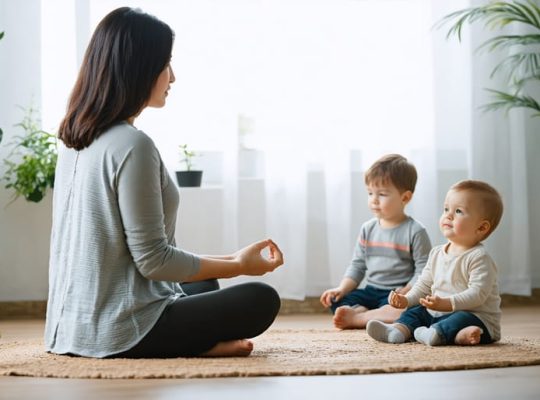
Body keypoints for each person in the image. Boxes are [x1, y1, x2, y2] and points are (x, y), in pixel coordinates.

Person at [44, 7, 284, 359]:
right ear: (138, 68)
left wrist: (233, 258)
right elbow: (154, 263)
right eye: (165, 64)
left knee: (204, 283)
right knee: (262, 300)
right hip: (119, 330)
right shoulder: (132, 145)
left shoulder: (74, 141)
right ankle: (188, 346)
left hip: (68, 327)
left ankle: (191, 340)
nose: (172, 77)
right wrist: (240, 266)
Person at [367, 180, 503, 346]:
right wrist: (407, 299)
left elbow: (477, 294)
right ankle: (398, 330)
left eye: (458, 211)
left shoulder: (479, 257)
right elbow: (424, 285)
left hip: (477, 317)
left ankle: (439, 333)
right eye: (446, 209)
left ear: (481, 228)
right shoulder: (437, 253)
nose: (448, 215)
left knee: (463, 319)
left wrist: (447, 303)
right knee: (415, 311)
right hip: (438, 312)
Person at [320, 154, 432, 329]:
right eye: (370, 193)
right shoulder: (368, 228)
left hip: (397, 293)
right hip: (370, 291)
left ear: (405, 197)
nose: (374, 199)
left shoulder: (415, 231)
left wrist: (409, 289)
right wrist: (341, 288)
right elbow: (357, 266)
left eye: (382, 194)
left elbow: (424, 270)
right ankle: (365, 313)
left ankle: (361, 316)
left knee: (413, 309)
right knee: (337, 300)